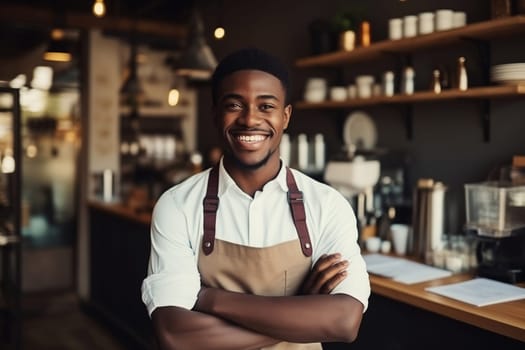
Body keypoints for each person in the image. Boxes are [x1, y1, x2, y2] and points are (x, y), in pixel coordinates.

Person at [141, 47, 370, 349]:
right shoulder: (177, 206)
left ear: (285, 116)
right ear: (215, 114)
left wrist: (208, 298)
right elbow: (176, 335)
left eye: (266, 106)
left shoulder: (327, 205)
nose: (249, 120)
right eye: (234, 105)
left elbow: (344, 321)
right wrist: (302, 313)